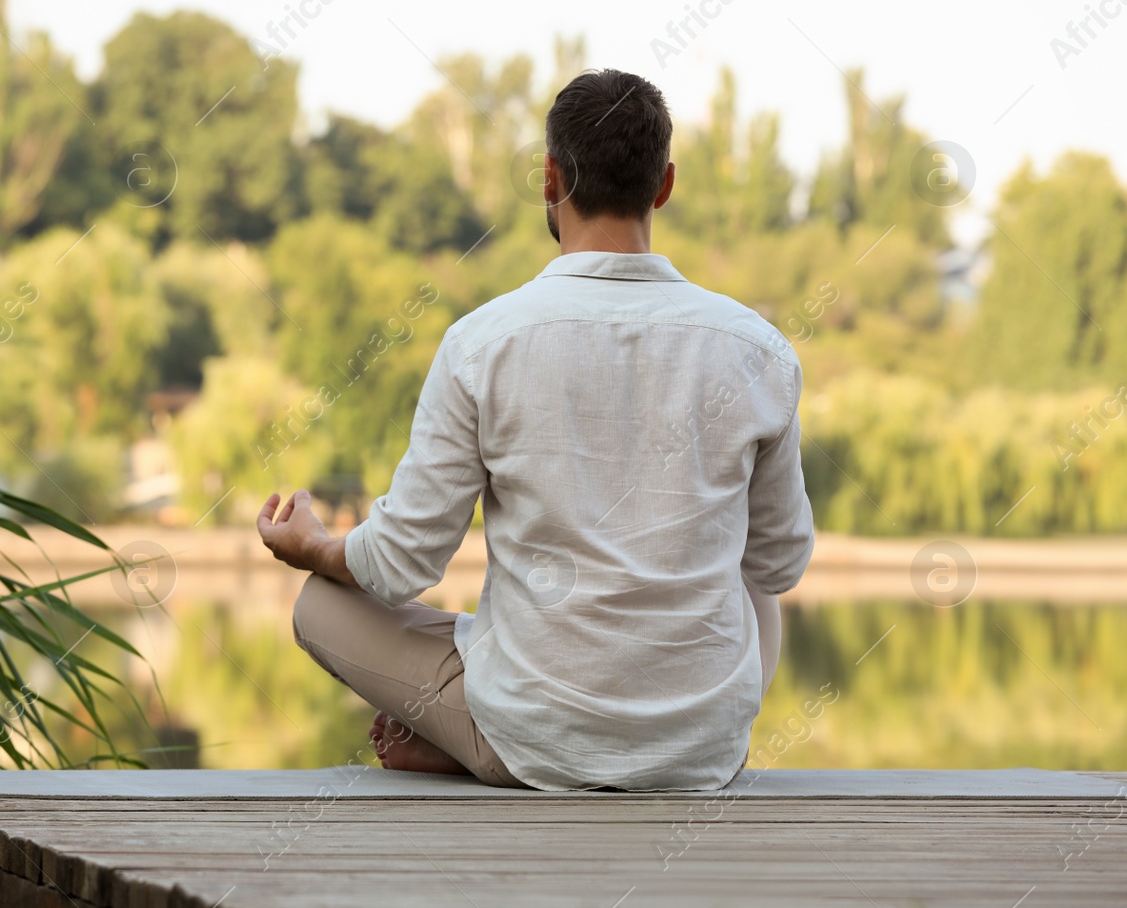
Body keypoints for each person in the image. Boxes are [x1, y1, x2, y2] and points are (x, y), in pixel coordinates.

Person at [255, 69, 814, 791]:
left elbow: (400, 565)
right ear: (665, 184)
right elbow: (779, 567)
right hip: (700, 752)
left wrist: (314, 547)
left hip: (538, 736)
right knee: (750, 563)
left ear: (549, 178)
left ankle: (479, 739)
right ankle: (575, 733)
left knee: (322, 600)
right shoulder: (758, 348)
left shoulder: (482, 341)